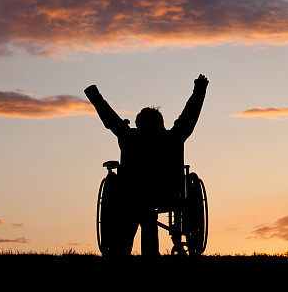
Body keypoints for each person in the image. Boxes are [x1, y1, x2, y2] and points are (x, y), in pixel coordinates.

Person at [84, 74, 208, 257]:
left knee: (137, 211)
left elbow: (110, 119)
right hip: (168, 192)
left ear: (138, 124)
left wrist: (94, 96)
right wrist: (199, 90)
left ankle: (121, 251)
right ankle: (148, 254)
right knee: (146, 213)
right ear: (161, 124)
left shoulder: (129, 138)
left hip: (132, 194)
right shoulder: (173, 138)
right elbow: (189, 115)